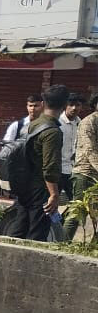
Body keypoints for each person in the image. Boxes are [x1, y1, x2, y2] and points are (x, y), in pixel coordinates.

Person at [4, 85, 67, 242]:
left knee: (19, 229)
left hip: (25, 184)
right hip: (40, 189)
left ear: (44, 103)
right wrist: (54, 194)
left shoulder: (32, 124)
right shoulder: (52, 131)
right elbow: (50, 166)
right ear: (64, 106)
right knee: (36, 234)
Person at [63, 93, 98, 240]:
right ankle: (61, 244)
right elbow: (89, 150)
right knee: (77, 213)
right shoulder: (89, 122)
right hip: (85, 174)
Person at [60, 94, 84, 199]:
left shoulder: (82, 123)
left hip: (74, 170)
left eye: (78, 105)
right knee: (49, 202)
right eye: (71, 105)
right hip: (58, 170)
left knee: (75, 202)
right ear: (65, 105)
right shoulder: (57, 123)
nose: (74, 108)